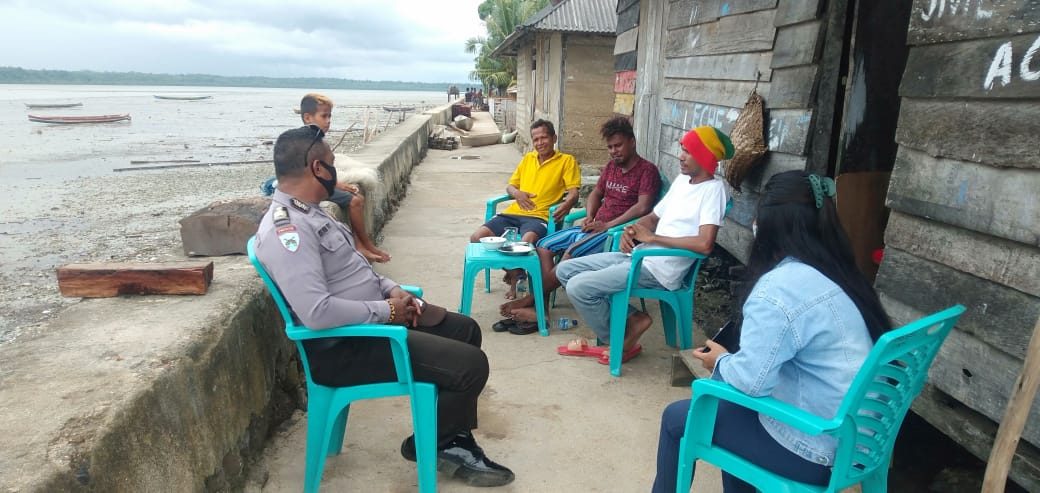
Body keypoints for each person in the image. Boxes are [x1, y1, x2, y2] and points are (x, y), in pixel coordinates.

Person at [254, 126, 514, 487]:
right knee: (470, 365)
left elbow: (354, 272)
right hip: (345, 347)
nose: (336, 172)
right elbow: (316, 313)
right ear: (317, 168)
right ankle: (442, 442)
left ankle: (445, 437)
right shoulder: (287, 232)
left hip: (370, 326)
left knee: (465, 330)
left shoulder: (313, 212)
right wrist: (387, 312)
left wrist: (392, 290)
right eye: (332, 164)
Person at [651, 170, 893, 493]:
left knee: (677, 419)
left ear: (769, 226)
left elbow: (751, 382)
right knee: (732, 414)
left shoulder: (777, 288)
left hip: (816, 449)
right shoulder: (841, 275)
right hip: (861, 443)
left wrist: (720, 361)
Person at [554, 126, 731, 364]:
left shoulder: (713, 191)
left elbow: (705, 244)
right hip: (640, 256)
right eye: (682, 150)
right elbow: (653, 217)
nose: (680, 157)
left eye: (688, 152)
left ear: (704, 156)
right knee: (565, 270)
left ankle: (617, 340)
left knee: (578, 287)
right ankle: (633, 321)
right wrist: (632, 230)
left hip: (660, 271)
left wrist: (653, 238)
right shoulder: (682, 182)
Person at [494, 116, 661, 335]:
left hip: (615, 232)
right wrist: (590, 215)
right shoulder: (611, 167)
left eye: (618, 145)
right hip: (594, 226)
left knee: (570, 253)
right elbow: (596, 193)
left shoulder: (647, 171)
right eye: (610, 147)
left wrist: (607, 225)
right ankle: (541, 308)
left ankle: (532, 301)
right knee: (543, 246)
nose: (613, 151)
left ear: (632, 142)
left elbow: (643, 207)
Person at [469, 119, 581, 305]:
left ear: (554, 138)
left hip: (538, 216)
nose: (539, 143)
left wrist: (568, 204)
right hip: (513, 213)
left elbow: (573, 192)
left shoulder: (566, 161)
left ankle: (517, 278)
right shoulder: (528, 159)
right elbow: (511, 186)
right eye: (535, 139)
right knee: (477, 238)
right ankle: (516, 273)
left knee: (524, 243)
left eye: (544, 138)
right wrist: (517, 194)